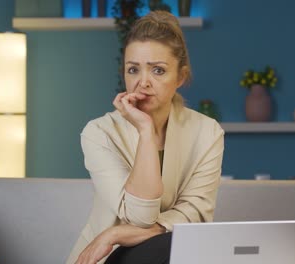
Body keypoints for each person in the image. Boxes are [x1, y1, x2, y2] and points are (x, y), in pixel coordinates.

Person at [66, 10, 224, 264]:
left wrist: (116, 233)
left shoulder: (208, 132)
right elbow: (141, 216)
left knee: (179, 245)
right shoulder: (99, 133)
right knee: (172, 244)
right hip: (109, 257)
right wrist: (146, 133)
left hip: (168, 252)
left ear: (181, 76)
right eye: (133, 70)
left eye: (158, 71)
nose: (143, 82)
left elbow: (196, 214)